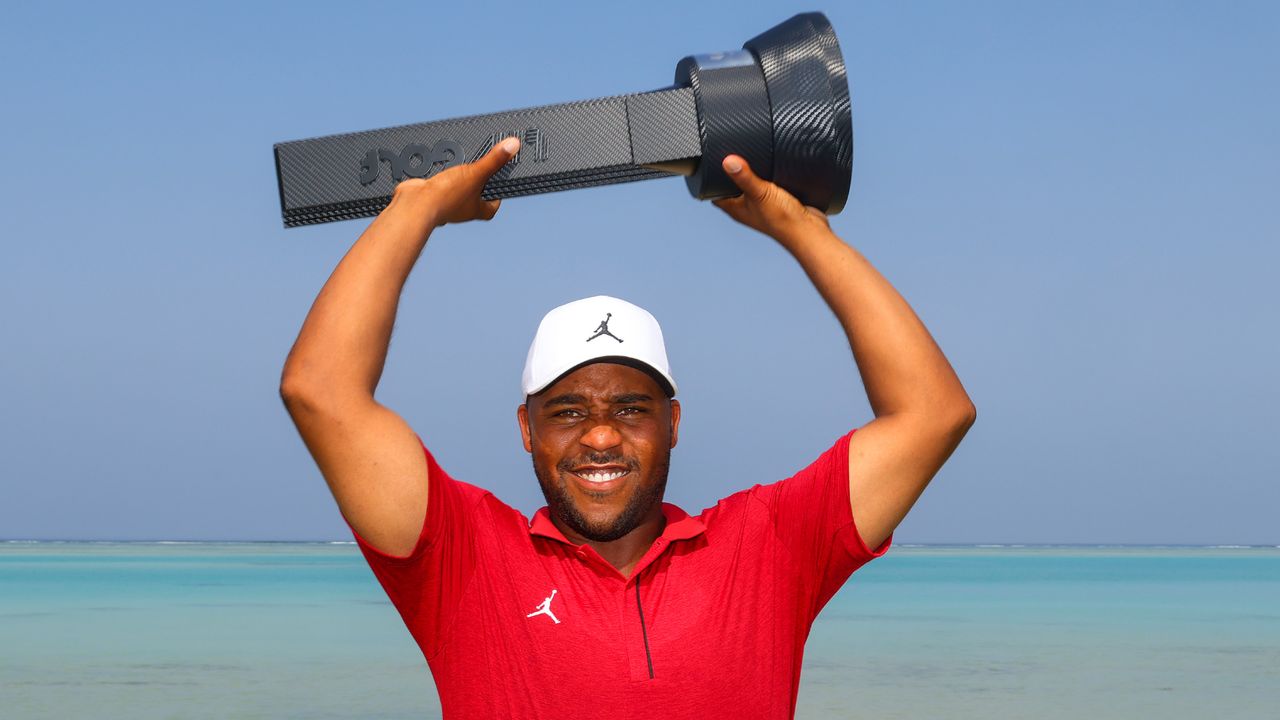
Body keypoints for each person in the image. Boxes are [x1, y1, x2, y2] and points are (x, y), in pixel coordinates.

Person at [280, 136, 975, 719]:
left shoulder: (768, 547)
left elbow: (935, 413)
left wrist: (802, 230)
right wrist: (417, 207)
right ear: (527, 428)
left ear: (673, 423)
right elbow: (320, 392)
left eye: (631, 409)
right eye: (569, 411)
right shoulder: (462, 561)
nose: (602, 437)